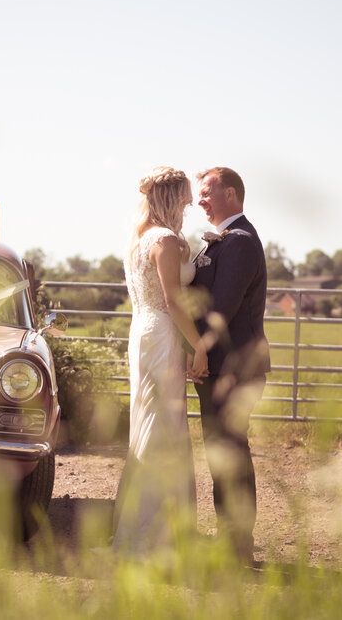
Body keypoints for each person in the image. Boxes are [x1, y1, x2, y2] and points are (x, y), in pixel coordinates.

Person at [112, 167, 209, 554]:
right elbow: (172, 299)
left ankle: (149, 528)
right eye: (184, 199)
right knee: (164, 428)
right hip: (164, 334)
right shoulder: (166, 240)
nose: (188, 206)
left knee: (150, 422)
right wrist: (198, 345)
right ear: (171, 199)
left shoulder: (138, 237)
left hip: (142, 332)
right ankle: (152, 536)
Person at [189, 166, 270, 563]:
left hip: (234, 367)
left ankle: (238, 546)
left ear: (232, 195)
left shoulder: (239, 242)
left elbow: (221, 308)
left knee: (231, 453)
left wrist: (196, 348)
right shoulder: (222, 241)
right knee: (220, 451)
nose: (200, 198)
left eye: (206, 191)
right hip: (219, 367)